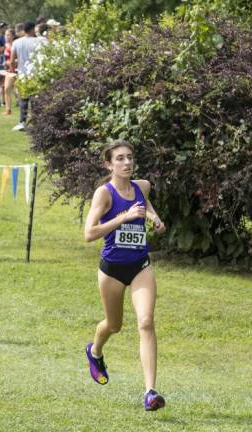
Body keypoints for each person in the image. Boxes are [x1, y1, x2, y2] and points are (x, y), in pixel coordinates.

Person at [83, 140, 167, 411]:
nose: (127, 163)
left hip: (140, 265)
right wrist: (123, 217)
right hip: (112, 270)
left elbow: (146, 203)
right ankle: (94, 351)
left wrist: (154, 217)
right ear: (109, 164)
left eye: (130, 157)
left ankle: (150, 392)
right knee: (114, 325)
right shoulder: (104, 194)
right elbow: (89, 233)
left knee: (146, 322)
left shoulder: (142, 186)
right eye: (120, 159)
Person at [10, 21, 40, 131]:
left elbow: (12, 60)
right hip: (36, 73)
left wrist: (14, 72)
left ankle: (22, 121)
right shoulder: (38, 41)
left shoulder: (17, 42)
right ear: (32, 29)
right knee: (35, 99)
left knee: (23, 99)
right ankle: (36, 122)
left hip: (23, 73)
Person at [2, 28, 17, 116]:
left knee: (20, 91)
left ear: (13, 36)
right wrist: (5, 62)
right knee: (7, 88)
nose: (6, 37)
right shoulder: (6, 45)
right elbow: (6, 58)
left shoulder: (16, 44)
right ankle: (8, 110)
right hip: (9, 70)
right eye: (5, 35)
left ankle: (27, 109)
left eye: (8, 35)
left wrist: (14, 61)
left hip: (18, 70)